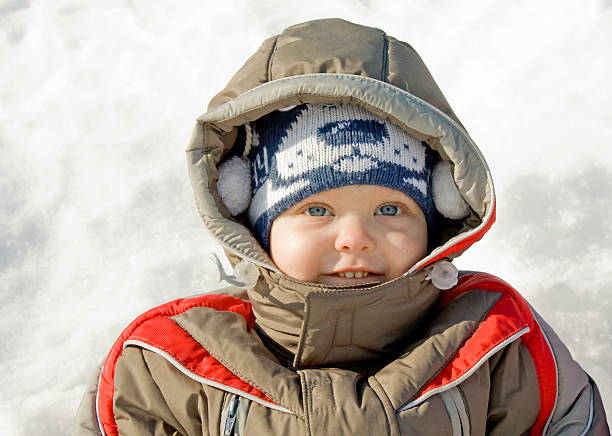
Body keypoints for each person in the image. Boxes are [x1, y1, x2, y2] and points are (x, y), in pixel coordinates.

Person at [72, 18, 609, 435]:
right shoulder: (175, 359)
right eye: (317, 210)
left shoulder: (491, 339)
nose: (355, 237)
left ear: (437, 211)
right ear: (253, 221)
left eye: (391, 209)